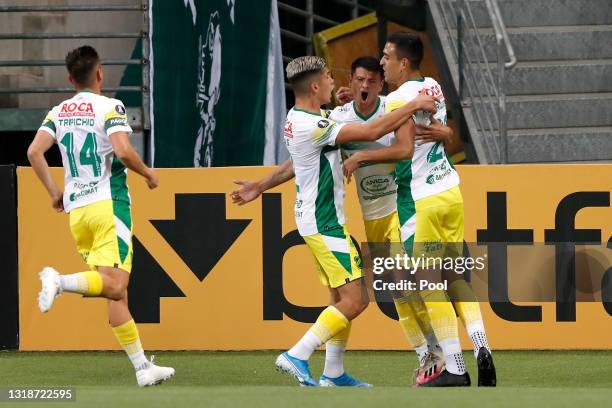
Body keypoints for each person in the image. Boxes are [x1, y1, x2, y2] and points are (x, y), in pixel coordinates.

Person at [232, 55, 453, 383]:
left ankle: (333, 372)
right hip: (324, 222)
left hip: (318, 221)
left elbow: (297, 161)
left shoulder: (302, 119)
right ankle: (298, 354)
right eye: (328, 76)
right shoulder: (316, 124)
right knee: (356, 298)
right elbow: (373, 129)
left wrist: (260, 186)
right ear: (316, 86)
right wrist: (410, 105)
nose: (337, 83)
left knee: (339, 298)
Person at [343, 32, 496, 387]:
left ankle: (455, 368)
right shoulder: (433, 86)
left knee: (427, 283)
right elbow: (440, 133)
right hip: (450, 191)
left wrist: (363, 153)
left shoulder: (400, 99)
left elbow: (402, 148)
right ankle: (482, 347)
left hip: (419, 200)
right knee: (455, 276)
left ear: (403, 62)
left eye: (386, 57)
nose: (382, 62)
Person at [27, 45, 175, 387]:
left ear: (69, 78)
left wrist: (54, 193)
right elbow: (123, 151)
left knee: (115, 294)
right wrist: (148, 173)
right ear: (99, 74)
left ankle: (142, 369)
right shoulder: (111, 107)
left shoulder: (58, 111)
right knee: (116, 284)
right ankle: (59, 281)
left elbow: (34, 151)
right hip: (109, 205)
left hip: (77, 212)